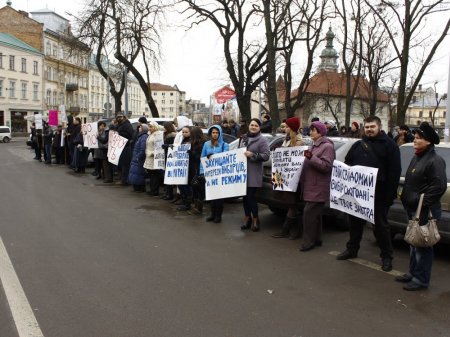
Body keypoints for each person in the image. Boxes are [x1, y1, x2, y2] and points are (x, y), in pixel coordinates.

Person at [336, 116, 401, 272]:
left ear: (379, 127)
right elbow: (347, 163)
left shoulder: (390, 146)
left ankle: (386, 257)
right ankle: (352, 249)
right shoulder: (358, 145)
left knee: (381, 228)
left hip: (379, 195)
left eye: (372, 126)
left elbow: (395, 172)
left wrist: (390, 196)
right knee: (355, 224)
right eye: (367, 127)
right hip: (357, 194)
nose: (369, 129)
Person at [397, 122, 447, 291]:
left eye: (418, 138)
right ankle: (413, 273)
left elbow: (439, 186)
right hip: (413, 209)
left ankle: (421, 279)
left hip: (424, 211)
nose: (415, 140)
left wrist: (420, 201)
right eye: (416, 137)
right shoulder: (418, 156)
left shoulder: (435, 160)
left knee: (423, 247)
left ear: (428, 142)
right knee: (414, 242)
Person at [298, 121, 336, 251]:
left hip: (318, 186)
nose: (310, 132)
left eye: (313, 130)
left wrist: (311, 157)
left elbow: (326, 166)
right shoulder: (314, 146)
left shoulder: (327, 147)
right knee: (316, 215)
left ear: (320, 132)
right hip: (311, 185)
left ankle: (308, 242)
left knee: (308, 214)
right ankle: (317, 239)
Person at [271, 117, 304, 239]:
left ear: (292, 128)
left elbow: (293, 161)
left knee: (292, 204)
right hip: (285, 178)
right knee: (291, 204)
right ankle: (293, 230)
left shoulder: (299, 142)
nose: (284, 129)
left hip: (293, 179)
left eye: (287, 127)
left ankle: (287, 230)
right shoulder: (286, 140)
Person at [238, 118, 270, 231]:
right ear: (249, 126)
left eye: (256, 125)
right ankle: (247, 218)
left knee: (251, 197)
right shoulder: (244, 138)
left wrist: (252, 155)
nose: (253, 127)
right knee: (245, 198)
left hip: (254, 173)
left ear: (259, 127)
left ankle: (256, 219)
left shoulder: (262, 140)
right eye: (252, 125)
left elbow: (266, 156)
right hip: (242, 173)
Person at [200, 125, 230, 223]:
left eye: (217, 132)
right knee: (211, 195)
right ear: (210, 134)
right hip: (210, 174)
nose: (215, 134)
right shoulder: (206, 144)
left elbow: (225, 158)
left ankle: (218, 215)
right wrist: (202, 172)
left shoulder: (224, 145)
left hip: (220, 174)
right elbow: (202, 158)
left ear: (220, 133)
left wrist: (214, 156)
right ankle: (212, 214)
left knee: (219, 196)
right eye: (213, 132)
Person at [187, 126, 207, 215]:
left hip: (201, 168)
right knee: (195, 186)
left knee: (200, 188)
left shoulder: (203, 143)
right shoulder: (194, 143)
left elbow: (201, 157)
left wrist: (192, 153)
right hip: (196, 168)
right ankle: (196, 207)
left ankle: (199, 209)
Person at [144, 121, 163, 196]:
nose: (149, 128)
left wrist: (152, 153)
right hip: (149, 157)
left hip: (154, 157)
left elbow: (159, 146)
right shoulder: (150, 134)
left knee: (155, 175)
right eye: (149, 126)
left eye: (151, 126)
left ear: (155, 127)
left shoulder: (158, 134)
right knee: (151, 174)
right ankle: (152, 189)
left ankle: (155, 191)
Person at [128, 123, 149, 192]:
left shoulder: (144, 136)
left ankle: (140, 188)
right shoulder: (141, 136)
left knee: (139, 173)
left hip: (139, 159)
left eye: (140, 127)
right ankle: (137, 187)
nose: (139, 128)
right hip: (137, 158)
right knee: (136, 173)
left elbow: (142, 149)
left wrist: (137, 157)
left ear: (144, 129)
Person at [161, 122, 177, 200]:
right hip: (167, 157)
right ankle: (167, 193)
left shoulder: (171, 136)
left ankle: (169, 194)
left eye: (164, 127)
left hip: (170, 158)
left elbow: (172, 147)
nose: (163, 128)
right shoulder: (166, 135)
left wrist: (166, 146)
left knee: (168, 176)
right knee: (166, 176)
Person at [116, 113, 134, 185]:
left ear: (124, 117)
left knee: (125, 165)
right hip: (121, 147)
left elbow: (130, 135)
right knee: (121, 164)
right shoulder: (119, 125)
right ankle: (122, 179)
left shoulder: (127, 125)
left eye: (120, 117)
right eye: (118, 117)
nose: (119, 118)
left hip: (126, 147)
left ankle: (125, 180)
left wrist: (119, 134)